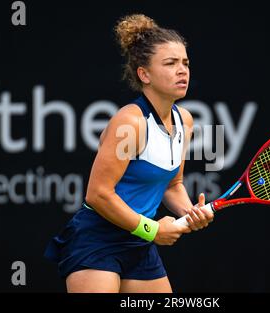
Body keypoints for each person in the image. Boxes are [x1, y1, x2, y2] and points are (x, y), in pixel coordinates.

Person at [44, 14, 214, 293]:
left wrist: (190, 212)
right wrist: (153, 230)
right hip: (97, 240)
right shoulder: (130, 123)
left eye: (185, 63)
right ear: (144, 74)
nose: (182, 70)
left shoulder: (185, 121)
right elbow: (98, 194)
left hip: (138, 244)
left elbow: (173, 184)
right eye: (170, 63)